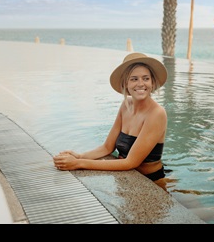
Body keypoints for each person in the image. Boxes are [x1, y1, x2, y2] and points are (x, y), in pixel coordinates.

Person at [53, 52, 168, 183]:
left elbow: (130, 163)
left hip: (151, 180)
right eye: (134, 79)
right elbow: (107, 147)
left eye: (146, 78)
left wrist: (77, 163)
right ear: (125, 84)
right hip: (127, 178)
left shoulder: (157, 113)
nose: (141, 84)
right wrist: (79, 156)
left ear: (152, 83)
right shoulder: (125, 106)